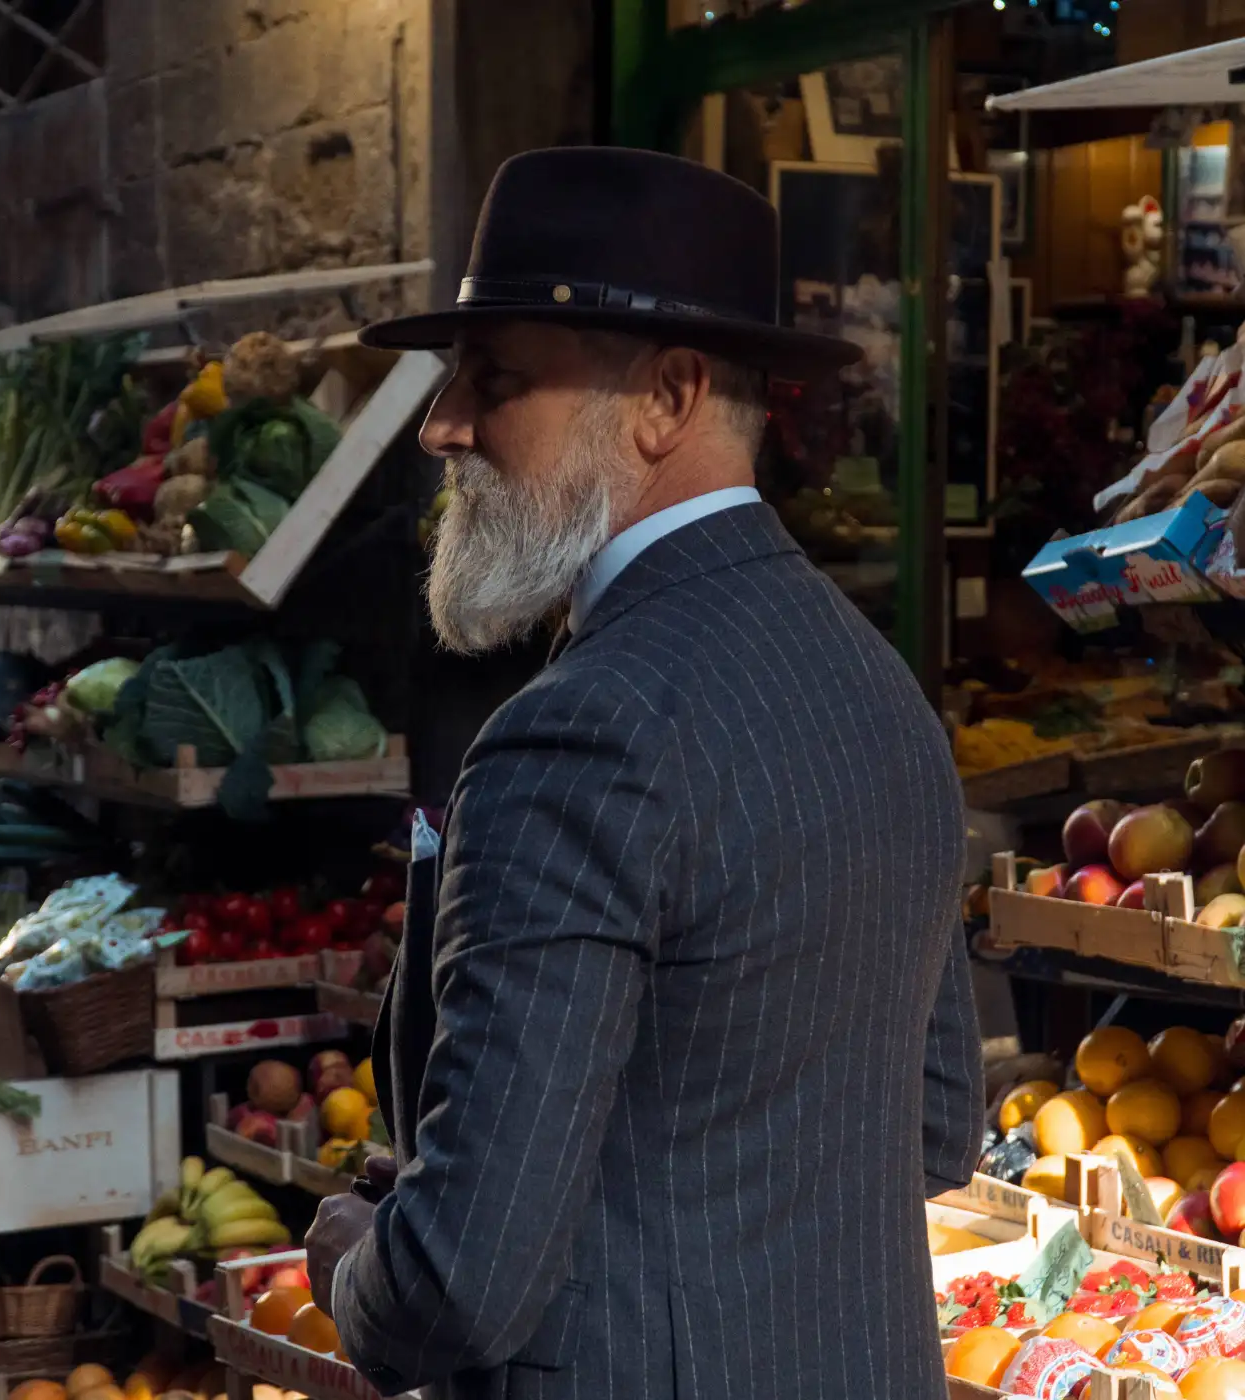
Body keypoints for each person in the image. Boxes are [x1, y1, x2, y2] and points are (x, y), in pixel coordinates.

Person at [305, 146, 981, 1400]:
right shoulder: (881, 690)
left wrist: (353, 1264)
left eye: (492, 375)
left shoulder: (577, 733)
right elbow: (935, 1126)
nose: (442, 423)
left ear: (666, 397)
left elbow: (458, 1279)